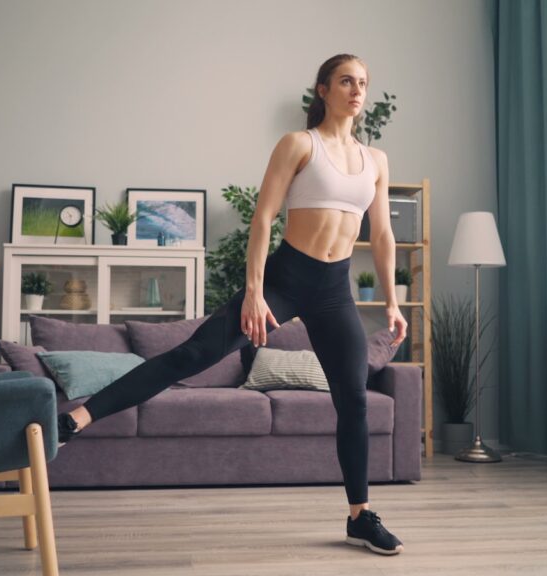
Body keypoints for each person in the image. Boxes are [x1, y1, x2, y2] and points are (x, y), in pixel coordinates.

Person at [57, 53, 408, 556]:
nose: (357, 91)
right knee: (192, 355)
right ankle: (77, 421)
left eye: (364, 83)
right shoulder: (298, 145)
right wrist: (254, 291)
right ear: (323, 90)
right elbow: (263, 219)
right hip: (286, 278)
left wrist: (393, 302)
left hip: (334, 289)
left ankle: (359, 515)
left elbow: (384, 236)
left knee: (351, 397)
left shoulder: (376, 160)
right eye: (346, 81)